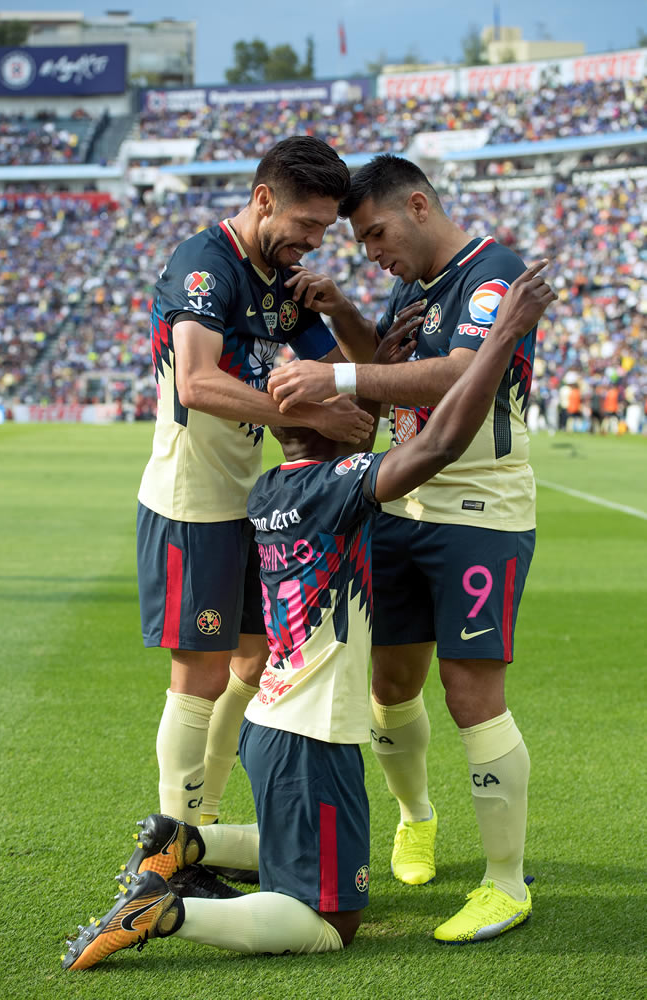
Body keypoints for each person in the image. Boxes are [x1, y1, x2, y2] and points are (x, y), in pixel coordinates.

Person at [61, 260, 556, 970]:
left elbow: (351, 439)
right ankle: (165, 912)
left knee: (315, 843)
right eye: (351, 416)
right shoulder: (338, 488)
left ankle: (183, 841)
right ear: (327, 430)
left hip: (274, 722)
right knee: (330, 921)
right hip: (308, 738)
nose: (365, 421)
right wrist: (503, 334)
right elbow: (440, 443)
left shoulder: (272, 488)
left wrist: (363, 369)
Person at [267, 155, 547, 942]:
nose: (370, 251)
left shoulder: (491, 272)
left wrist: (339, 380)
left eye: (375, 234)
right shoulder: (411, 286)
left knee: (470, 695)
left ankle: (503, 882)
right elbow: (396, 369)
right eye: (359, 242)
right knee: (390, 687)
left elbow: (459, 376)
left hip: (477, 512)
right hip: (399, 502)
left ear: (419, 205)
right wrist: (352, 312)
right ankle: (414, 817)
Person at [135, 137, 373, 891]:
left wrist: (342, 328)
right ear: (263, 198)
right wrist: (319, 418)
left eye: (326, 228)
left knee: (254, 663)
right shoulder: (204, 264)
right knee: (198, 673)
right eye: (306, 221)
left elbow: (334, 374)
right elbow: (199, 384)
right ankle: (172, 851)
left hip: (252, 502)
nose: (314, 239)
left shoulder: (285, 281)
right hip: (192, 504)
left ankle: (196, 832)